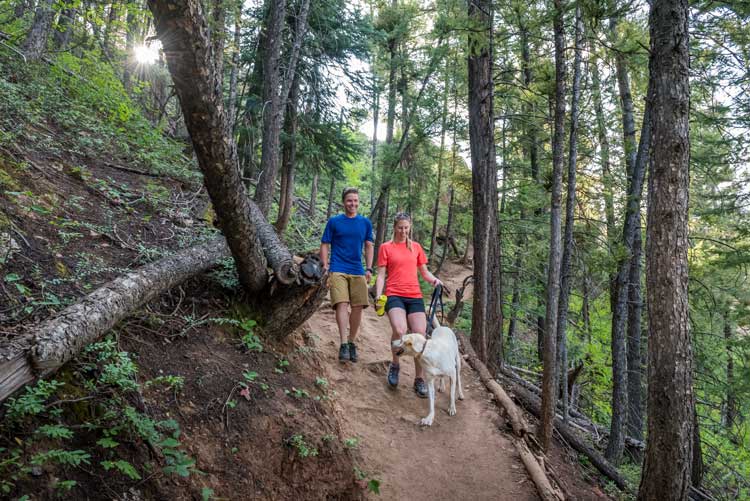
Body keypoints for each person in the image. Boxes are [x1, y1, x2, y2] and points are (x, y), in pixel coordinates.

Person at [374, 212, 443, 398]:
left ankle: (418, 378)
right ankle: (395, 365)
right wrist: (379, 295)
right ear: (394, 227)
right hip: (394, 293)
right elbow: (381, 274)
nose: (403, 231)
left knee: (420, 334)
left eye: (406, 227)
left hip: (414, 295)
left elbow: (425, 272)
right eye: (400, 227)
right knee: (399, 328)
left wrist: (435, 281)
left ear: (409, 227)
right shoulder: (386, 247)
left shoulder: (417, 248)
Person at [320, 187, 374, 363]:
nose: (353, 203)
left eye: (355, 200)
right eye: (349, 200)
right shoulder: (334, 222)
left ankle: (351, 342)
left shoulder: (365, 223)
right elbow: (325, 244)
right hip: (338, 268)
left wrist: (369, 268)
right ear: (344, 202)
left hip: (358, 269)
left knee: (358, 306)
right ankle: (343, 343)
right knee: (342, 304)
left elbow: (369, 246)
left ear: (359, 202)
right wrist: (325, 266)